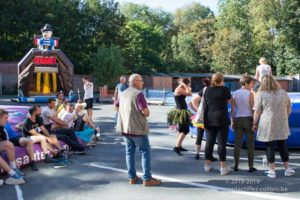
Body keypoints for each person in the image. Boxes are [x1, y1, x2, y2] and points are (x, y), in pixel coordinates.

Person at [116, 74, 161, 186]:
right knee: (145, 153)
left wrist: (126, 114)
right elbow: (145, 112)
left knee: (129, 153)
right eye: (141, 81)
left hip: (125, 128)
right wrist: (141, 113)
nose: (143, 83)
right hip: (137, 129)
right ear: (135, 81)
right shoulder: (138, 94)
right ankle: (147, 179)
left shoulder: (122, 93)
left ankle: (132, 177)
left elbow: (116, 107)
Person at [253, 75, 295, 178]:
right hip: (281, 122)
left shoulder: (261, 94)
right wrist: (285, 116)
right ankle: (287, 169)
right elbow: (289, 107)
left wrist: (254, 123)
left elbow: (257, 111)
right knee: (282, 145)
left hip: (268, 123)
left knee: (270, 146)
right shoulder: (283, 92)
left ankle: (272, 170)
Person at [203, 72, 232, 175]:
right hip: (222, 118)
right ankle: (223, 168)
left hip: (209, 118)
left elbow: (204, 105)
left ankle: (207, 165)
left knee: (209, 143)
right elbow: (229, 101)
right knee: (221, 144)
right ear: (222, 80)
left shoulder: (207, 90)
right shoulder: (225, 90)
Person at [231, 74, 257, 172]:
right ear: (246, 83)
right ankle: (250, 166)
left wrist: (232, 121)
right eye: (251, 83)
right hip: (248, 119)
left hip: (238, 119)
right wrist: (255, 122)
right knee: (250, 144)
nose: (252, 85)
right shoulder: (250, 94)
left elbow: (233, 109)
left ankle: (235, 165)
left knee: (237, 144)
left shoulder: (235, 93)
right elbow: (252, 108)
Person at [190, 78, 217, 161]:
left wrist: (198, 109)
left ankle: (197, 154)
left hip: (202, 116)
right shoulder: (215, 90)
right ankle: (209, 155)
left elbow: (193, 100)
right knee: (210, 137)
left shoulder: (204, 90)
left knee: (199, 136)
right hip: (211, 116)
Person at [0, 109, 25, 185]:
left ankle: (14, 168)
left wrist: (14, 161)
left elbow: (7, 142)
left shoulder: (2, 128)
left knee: (9, 144)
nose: (7, 121)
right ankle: (13, 174)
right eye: (5, 118)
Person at [169, 78, 192, 156]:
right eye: (188, 83)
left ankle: (179, 146)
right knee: (185, 130)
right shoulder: (180, 89)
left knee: (181, 130)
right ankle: (176, 147)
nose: (189, 85)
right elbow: (189, 93)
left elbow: (189, 90)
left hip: (182, 110)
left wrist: (185, 85)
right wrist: (184, 85)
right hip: (181, 111)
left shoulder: (181, 88)